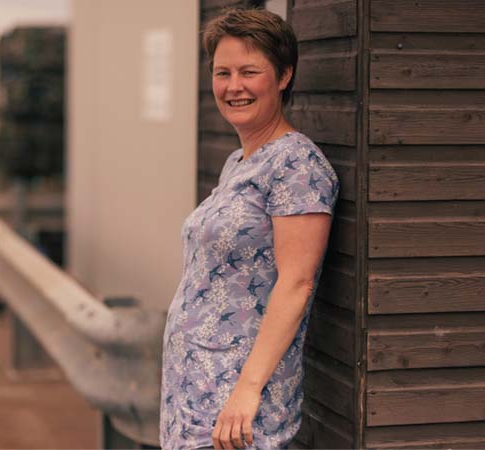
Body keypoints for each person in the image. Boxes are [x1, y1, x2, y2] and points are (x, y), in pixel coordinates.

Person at [160, 8, 339, 450]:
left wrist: (246, 390)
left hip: (236, 408)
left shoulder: (296, 166)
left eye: (249, 71)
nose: (233, 86)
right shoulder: (238, 162)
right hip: (195, 395)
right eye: (222, 72)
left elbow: (296, 284)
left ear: (283, 76)